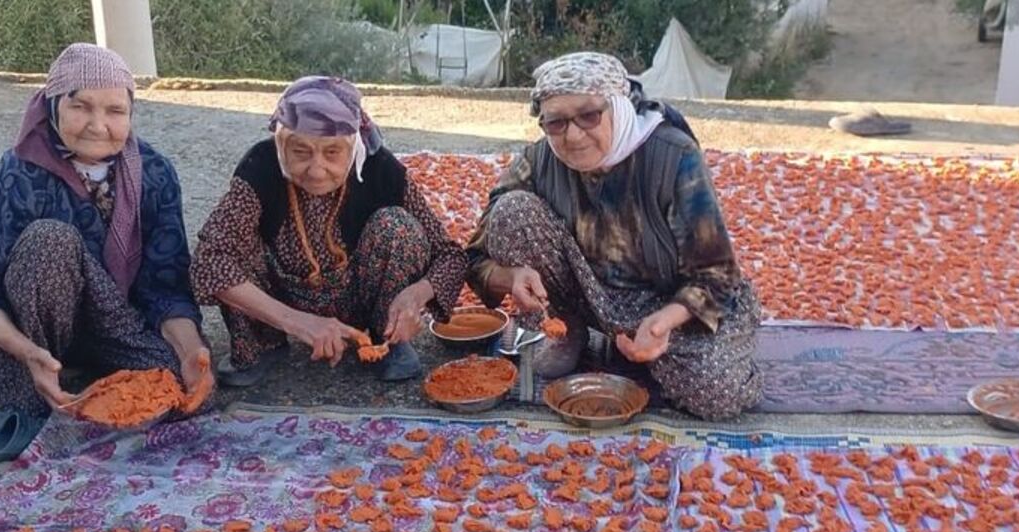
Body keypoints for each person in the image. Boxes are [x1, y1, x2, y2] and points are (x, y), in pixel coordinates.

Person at [465, 52, 762, 420]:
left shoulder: (673, 157)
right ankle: (567, 331)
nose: (573, 135)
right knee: (512, 211)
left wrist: (664, 322)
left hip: (668, 302)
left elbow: (716, 274)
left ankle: (649, 351)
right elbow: (475, 256)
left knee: (718, 393)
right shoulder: (539, 160)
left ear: (620, 107)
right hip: (593, 297)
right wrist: (511, 277)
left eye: (589, 115)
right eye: (556, 122)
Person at [0, 43, 211, 438]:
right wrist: (26, 352)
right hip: (38, 334)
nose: (98, 125)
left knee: (182, 392)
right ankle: (40, 376)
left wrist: (190, 350)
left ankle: (94, 367)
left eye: (115, 111)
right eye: (80, 107)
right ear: (53, 106)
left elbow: (167, 287)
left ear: (131, 114)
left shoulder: (155, 173)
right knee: (50, 239)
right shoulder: (20, 173)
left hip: (118, 322)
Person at [191, 76, 466, 385]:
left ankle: (384, 339)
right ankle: (260, 343)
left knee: (397, 228)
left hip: (359, 297)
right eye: (301, 152)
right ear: (282, 146)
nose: (317, 169)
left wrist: (415, 297)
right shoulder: (261, 167)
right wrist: (297, 322)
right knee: (231, 241)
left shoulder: (380, 170)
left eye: (333, 152)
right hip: (279, 296)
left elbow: (451, 256)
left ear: (354, 148)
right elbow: (208, 262)